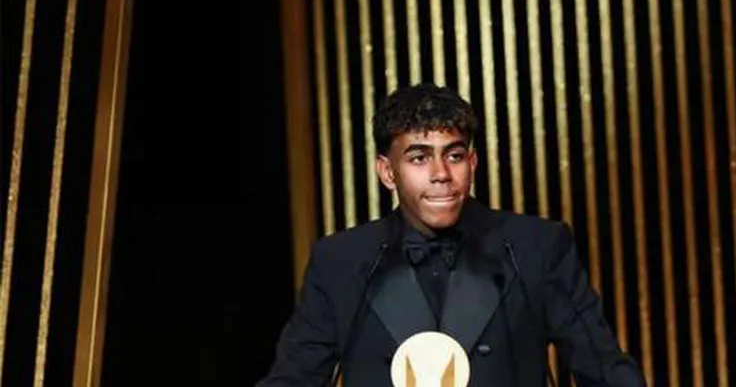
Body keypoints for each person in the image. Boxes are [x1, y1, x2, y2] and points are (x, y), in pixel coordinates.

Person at [258, 84, 645, 386]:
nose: (441, 173)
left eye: (454, 155)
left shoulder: (536, 247)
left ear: (472, 162)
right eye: (419, 158)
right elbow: (294, 380)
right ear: (387, 172)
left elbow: (606, 372)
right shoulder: (341, 262)